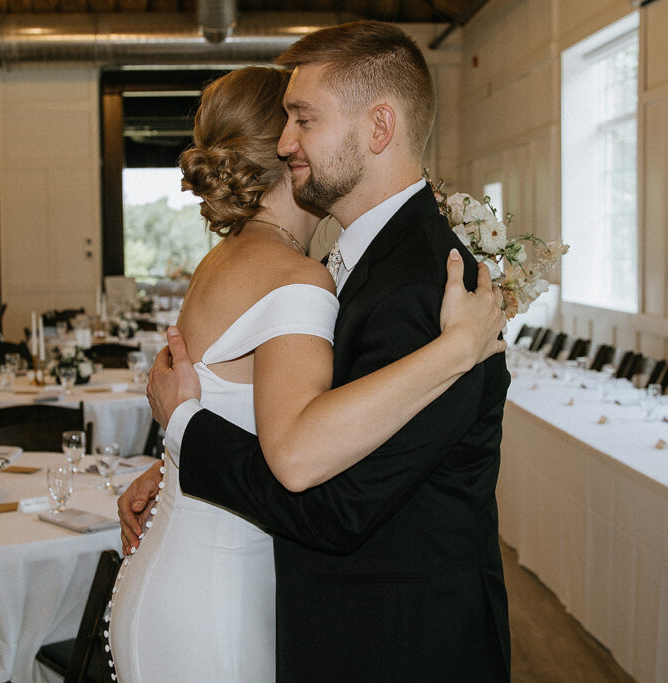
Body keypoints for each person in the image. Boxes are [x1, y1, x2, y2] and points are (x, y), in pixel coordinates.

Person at [109, 57, 506, 681]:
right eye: (288, 122)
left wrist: (187, 439)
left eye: (307, 121)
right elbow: (294, 438)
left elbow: (327, 490)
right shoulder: (302, 273)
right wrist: (183, 445)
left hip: (367, 632)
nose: (295, 141)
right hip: (222, 593)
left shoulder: (238, 261)